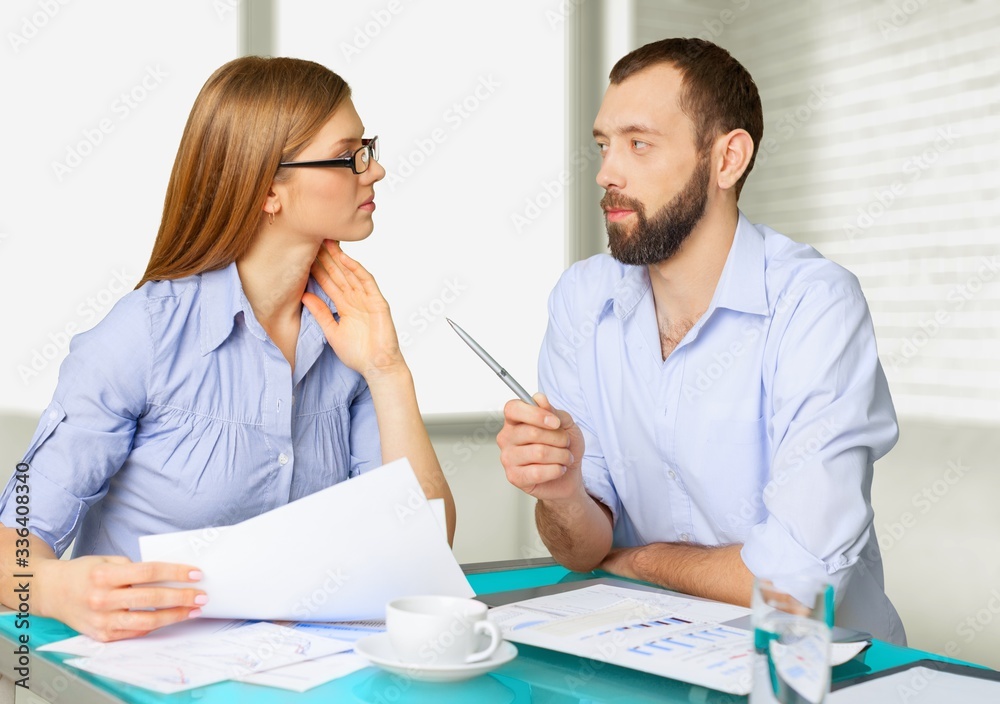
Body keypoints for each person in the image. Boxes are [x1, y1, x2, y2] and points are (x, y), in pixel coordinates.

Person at [0, 56, 455, 642]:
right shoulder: (144, 335)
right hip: (146, 671)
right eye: (349, 155)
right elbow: (12, 547)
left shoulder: (351, 334)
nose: (377, 170)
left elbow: (425, 546)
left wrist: (388, 371)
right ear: (268, 191)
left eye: (367, 148)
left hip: (298, 668)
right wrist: (54, 590)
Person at [497, 38, 906, 644]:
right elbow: (583, 550)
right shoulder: (582, 299)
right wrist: (562, 495)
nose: (607, 173)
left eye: (639, 144)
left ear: (727, 159)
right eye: (604, 145)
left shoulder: (814, 305)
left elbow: (795, 584)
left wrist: (638, 562)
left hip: (812, 667)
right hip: (651, 649)